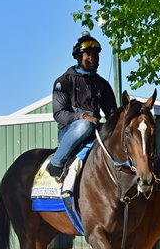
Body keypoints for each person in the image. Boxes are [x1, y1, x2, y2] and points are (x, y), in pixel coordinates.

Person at [46, 31, 118, 180]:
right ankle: (56, 164)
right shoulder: (63, 81)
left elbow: (112, 115)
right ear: (78, 57)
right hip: (71, 131)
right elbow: (59, 114)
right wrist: (84, 117)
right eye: (89, 55)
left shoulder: (103, 84)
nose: (94, 59)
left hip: (95, 130)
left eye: (96, 55)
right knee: (84, 125)